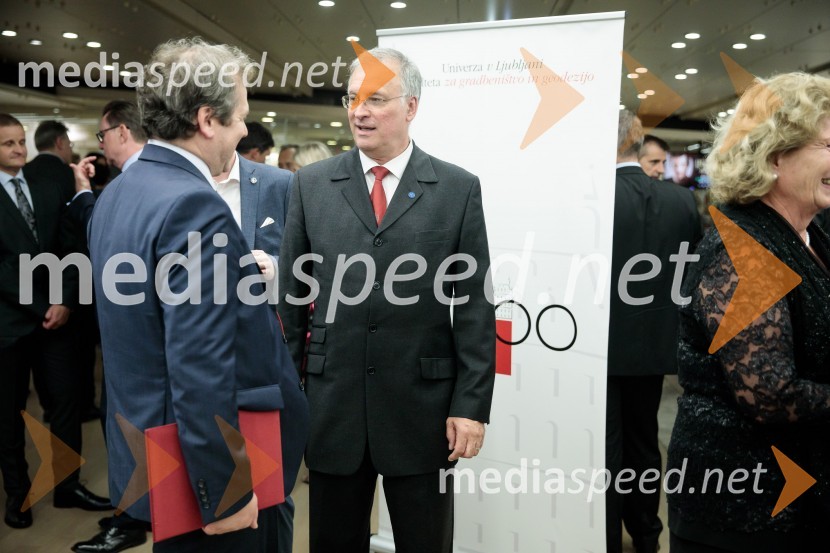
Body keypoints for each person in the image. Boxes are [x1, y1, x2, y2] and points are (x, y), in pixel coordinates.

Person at [87, 37, 306, 552]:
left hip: (154, 457)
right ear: (208, 120)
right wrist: (227, 495)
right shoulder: (194, 206)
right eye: (240, 118)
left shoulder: (120, 190)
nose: (245, 130)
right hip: (216, 472)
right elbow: (200, 365)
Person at [278, 47, 496, 553]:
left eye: (375, 98)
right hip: (331, 408)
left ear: (412, 106)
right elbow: (291, 302)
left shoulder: (456, 189)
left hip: (423, 411)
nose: (359, 110)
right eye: (353, 97)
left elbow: (473, 307)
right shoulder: (311, 185)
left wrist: (471, 406)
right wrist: (290, 399)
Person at [666, 72, 830, 551]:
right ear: (774, 154)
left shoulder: (812, 235)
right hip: (745, 507)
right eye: (826, 144)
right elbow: (769, 393)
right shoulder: (743, 247)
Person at [0, 114, 110, 531]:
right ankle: (17, 494)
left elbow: (70, 245)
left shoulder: (46, 186)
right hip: (10, 324)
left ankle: (67, 486)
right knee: (8, 416)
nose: (17, 149)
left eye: (20, 141)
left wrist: (63, 301)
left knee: (65, 404)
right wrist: (42, 303)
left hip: (56, 321)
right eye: (7, 143)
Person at [606, 111, 701, 553]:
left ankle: (603, 536)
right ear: (638, 140)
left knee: (605, 447)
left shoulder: (590, 198)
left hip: (597, 350)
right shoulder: (681, 203)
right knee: (644, 443)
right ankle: (646, 535)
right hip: (655, 349)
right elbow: (693, 276)